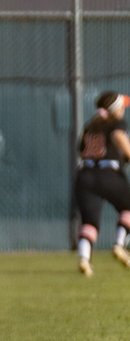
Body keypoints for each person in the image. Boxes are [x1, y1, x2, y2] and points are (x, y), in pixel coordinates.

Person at [74, 91, 130, 277]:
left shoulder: (90, 125)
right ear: (115, 109)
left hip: (85, 175)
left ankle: (84, 259)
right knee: (127, 209)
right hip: (109, 173)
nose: (123, 110)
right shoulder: (116, 124)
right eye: (122, 107)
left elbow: (81, 152)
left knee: (89, 222)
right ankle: (119, 245)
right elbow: (119, 138)